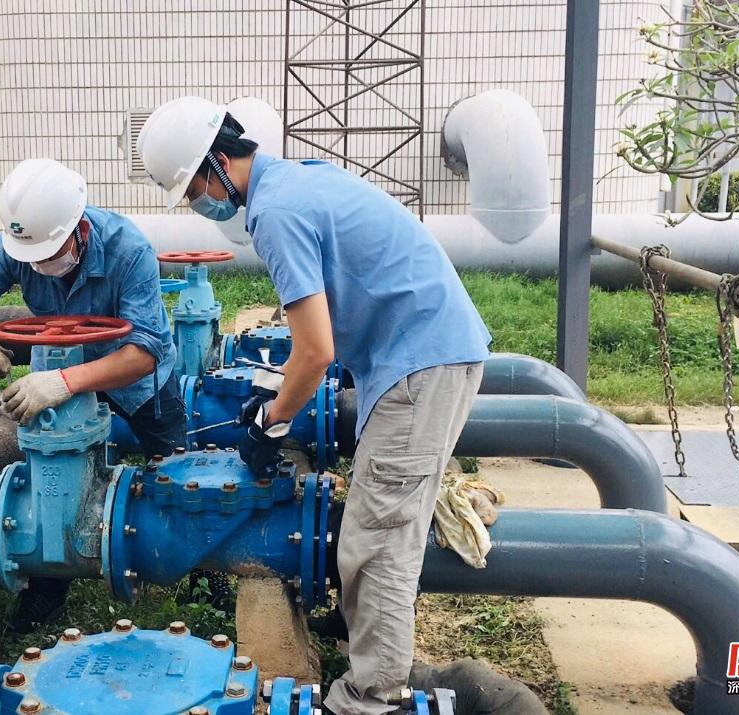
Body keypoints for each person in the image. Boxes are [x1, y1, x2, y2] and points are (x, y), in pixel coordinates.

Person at [139, 97, 491, 715]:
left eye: (194, 189)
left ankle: (373, 696)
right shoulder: (296, 179)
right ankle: (360, 632)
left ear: (218, 163)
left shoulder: (275, 213)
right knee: (372, 523)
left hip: (421, 363)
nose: (198, 203)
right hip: (418, 353)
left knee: (379, 539)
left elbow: (316, 350)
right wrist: (278, 395)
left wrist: (270, 423)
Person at [0, 157, 184, 632]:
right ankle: (48, 583)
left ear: (80, 229)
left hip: (135, 382)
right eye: (31, 258)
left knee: (174, 469)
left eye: (49, 253)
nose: (40, 265)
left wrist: (63, 382)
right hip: (56, 381)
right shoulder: (20, 244)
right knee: (50, 475)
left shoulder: (128, 249)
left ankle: (200, 559)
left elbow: (144, 351)